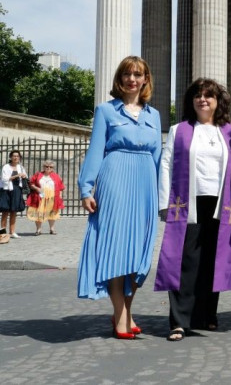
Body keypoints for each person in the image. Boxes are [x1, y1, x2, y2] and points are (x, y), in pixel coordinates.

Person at [77, 56, 162, 340]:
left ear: (146, 80)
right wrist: (86, 188)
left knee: (139, 252)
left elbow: (159, 157)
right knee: (116, 247)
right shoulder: (105, 111)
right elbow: (95, 151)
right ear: (119, 79)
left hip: (145, 183)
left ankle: (124, 310)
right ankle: (122, 316)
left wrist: (161, 195)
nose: (132, 79)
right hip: (114, 179)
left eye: (138, 74)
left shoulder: (155, 115)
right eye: (127, 74)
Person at [154, 78, 231, 342]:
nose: (203, 100)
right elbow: (166, 165)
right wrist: (164, 202)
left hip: (221, 203)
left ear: (218, 102)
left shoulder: (230, 132)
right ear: (191, 101)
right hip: (188, 202)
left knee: (212, 259)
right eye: (198, 96)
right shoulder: (178, 129)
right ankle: (179, 321)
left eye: (209, 96)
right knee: (184, 261)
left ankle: (206, 315)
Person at [26, 160, 66, 235]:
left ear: (53, 168)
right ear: (43, 167)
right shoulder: (38, 174)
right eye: (46, 166)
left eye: (51, 167)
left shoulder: (56, 176)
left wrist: (60, 196)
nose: (48, 168)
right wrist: (37, 188)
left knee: (52, 212)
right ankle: (38, 230)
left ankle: (52, 229)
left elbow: (60, 186)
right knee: (38, 212)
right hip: (40, 195)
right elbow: (31, 183)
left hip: (52, 196)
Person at [1, 150, 28, 239]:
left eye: (17, 156)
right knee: (5, 211)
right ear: (11, 157)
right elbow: (4, 179)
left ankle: (12, 231)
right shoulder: (6, 167)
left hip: (17, 190)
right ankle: (2, 231)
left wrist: (24, 176)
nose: (16, 157)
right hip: (7, 190)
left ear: (19, 158)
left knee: (14, 211)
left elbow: (25, 177)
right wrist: (17, 176)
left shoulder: (21, 167)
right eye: (14, 156)